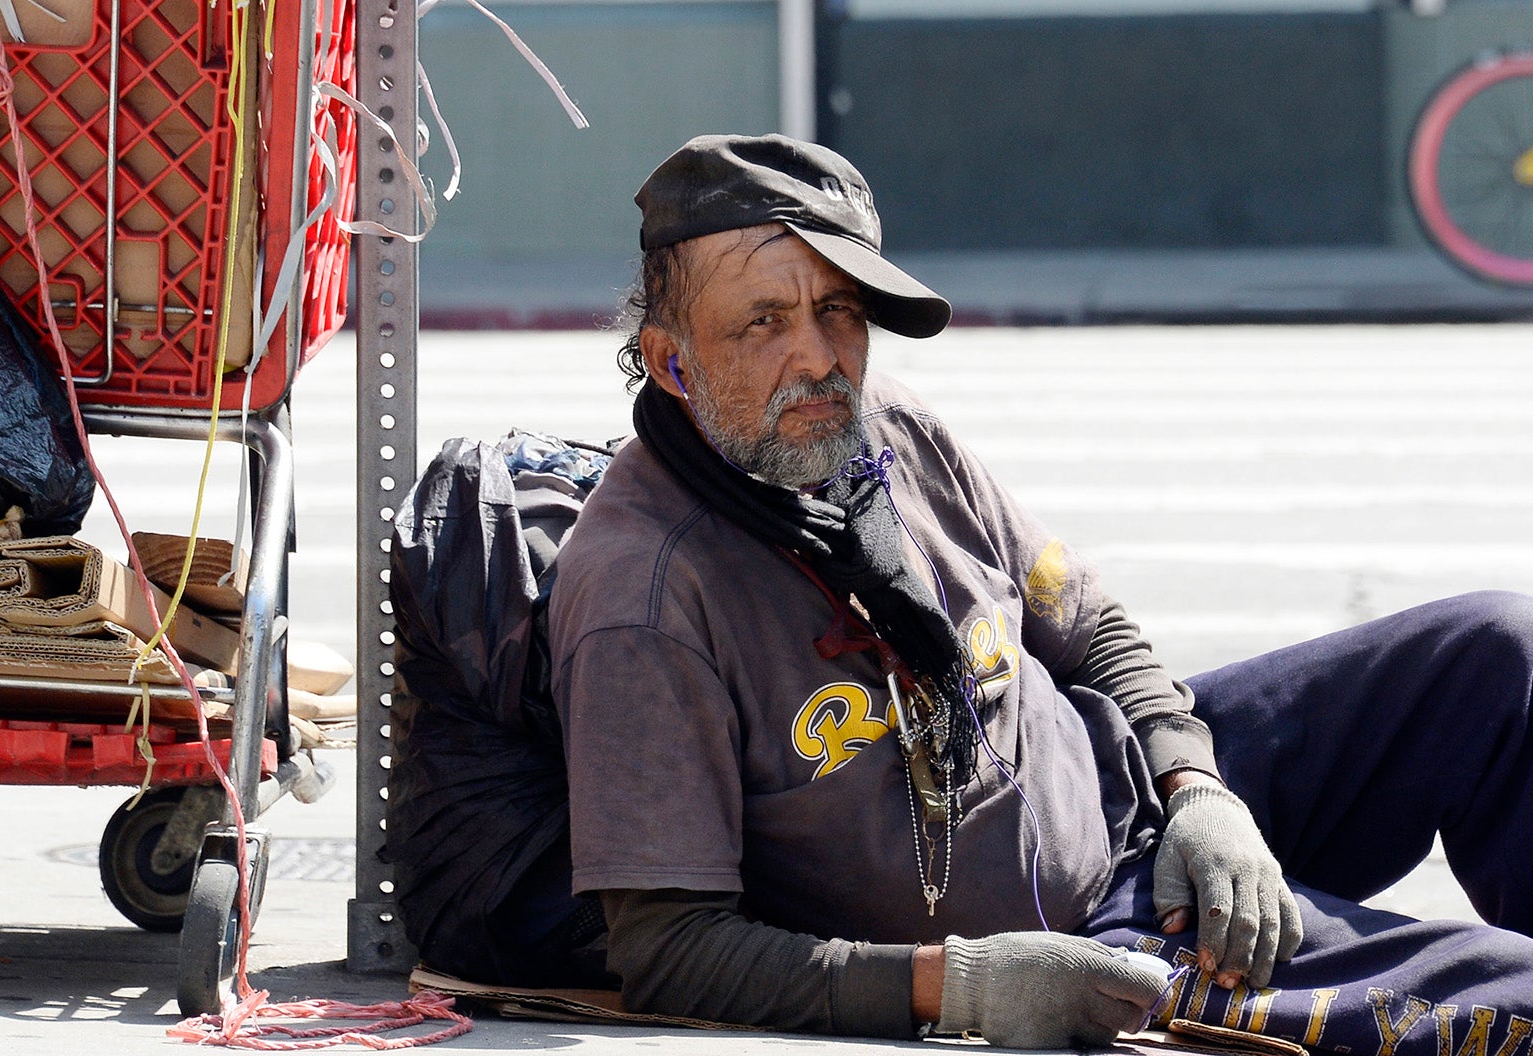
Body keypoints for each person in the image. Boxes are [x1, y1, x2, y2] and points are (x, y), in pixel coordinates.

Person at [549, 133, 1533, 1049]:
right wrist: (959, 986)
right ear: (669, 360)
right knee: (1513, 998)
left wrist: (1195, 787)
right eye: (761, 321)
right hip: (1084, 942)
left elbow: (1087, 625)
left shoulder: (880, 426)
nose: (814, 356)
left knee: (1496, 648)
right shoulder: (645, 592)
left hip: (1128, 793)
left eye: (837, 310)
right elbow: (669, 952)